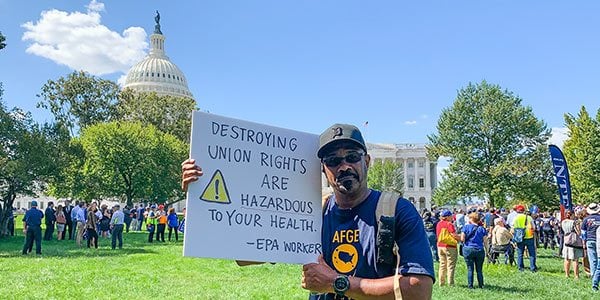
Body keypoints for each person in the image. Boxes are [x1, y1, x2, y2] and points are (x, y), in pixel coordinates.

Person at [181, 123, 435, 299]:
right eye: (333, 161)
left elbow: (418, 291)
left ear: (366, 161)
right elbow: (245, 255)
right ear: (324, 169)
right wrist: (200, 194)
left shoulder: (397, 212)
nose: (344, 166)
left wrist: (336, 283)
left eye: (352, 157)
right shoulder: (313, 215)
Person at [461, 212, 487, 289]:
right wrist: (487, 250)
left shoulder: (466, 227)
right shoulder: (482, 229)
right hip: (479, 249)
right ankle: (481, 285)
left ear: (471, 219)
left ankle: (470, 286)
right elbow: (485, 241)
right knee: (479, 269)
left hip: (468, 249)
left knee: (470, 269)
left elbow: (462, 239)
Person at [436, 209, 459, 286]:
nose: (452, 217)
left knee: (442, 265)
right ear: (447, 217)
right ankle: (450, 283)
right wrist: (460, 239)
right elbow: (453, 235)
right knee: (451, 265)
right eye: (451, 216)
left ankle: (441, 283)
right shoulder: (449, 224)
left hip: (440, 246)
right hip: (450, 246)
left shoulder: (438, 224)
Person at [511, 204, 537, 272]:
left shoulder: (515, 218)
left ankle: (520, 268)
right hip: (529, 237)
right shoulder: (529, 217)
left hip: (519, 237)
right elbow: (534, 227)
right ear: (523, 211)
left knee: (520, 254)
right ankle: (533, 268)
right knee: (532, 253)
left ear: (517, 211)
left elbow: (512, 228)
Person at [561, 211, 583, 279]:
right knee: (575, 259)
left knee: (566, 258)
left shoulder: (563, 222)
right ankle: (576, 276)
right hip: (573, 241)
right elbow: (578, 232)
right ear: (572, 215)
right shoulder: (575, 222)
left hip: (566, 240)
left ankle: (567, 274)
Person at [582, 203, 600, 281]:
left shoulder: (586, 219)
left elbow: (583, 233)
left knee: (592, 259)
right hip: (599, 240)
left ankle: (594, 276)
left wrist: (583, 243)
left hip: (590, 240)